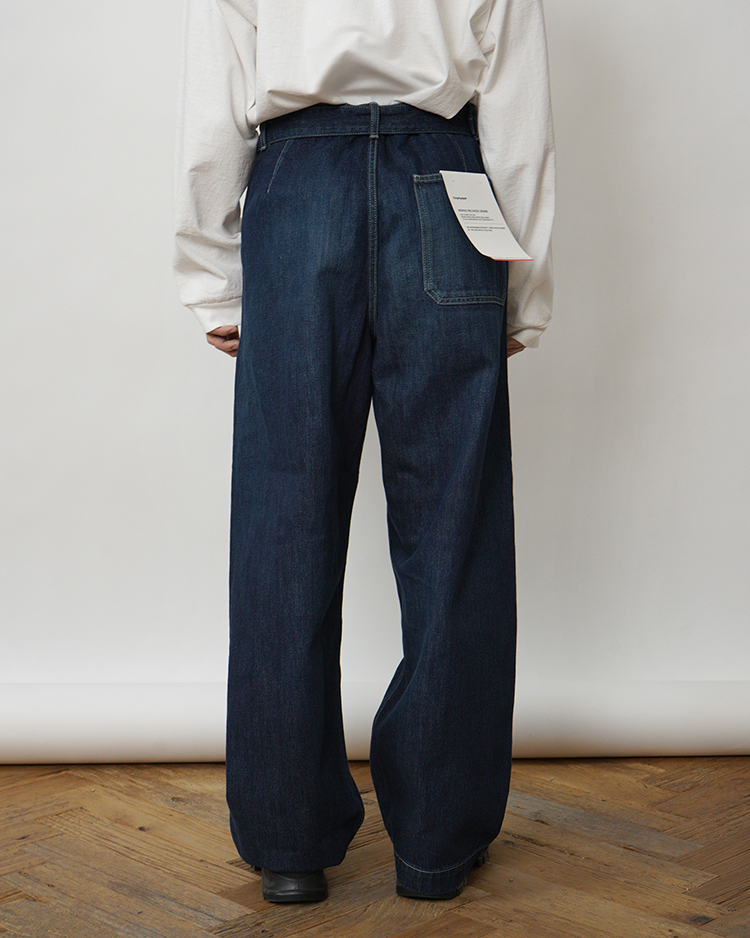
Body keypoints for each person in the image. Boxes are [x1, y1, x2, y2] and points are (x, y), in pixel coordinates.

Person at [173, 0, 555, 905]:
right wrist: (524, 292)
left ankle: (289, 844)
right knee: (454, 529)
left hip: (298, 189)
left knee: (282, 523)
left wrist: (211, 276)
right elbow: (520, 118)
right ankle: (437, 844)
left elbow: (214, 104)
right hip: (447, 185)